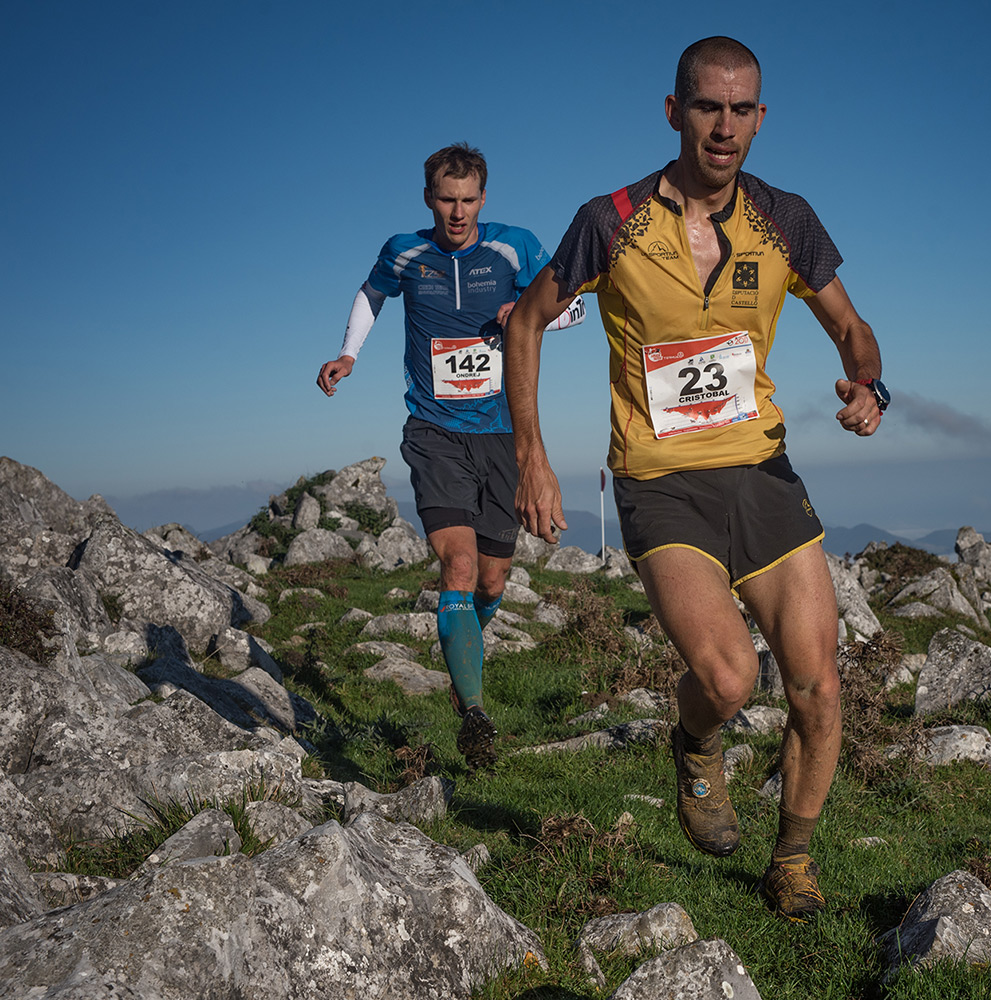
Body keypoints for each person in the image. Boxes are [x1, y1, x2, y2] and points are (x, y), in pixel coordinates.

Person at [504, 37, 889, 921]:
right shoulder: (611, 219)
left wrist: (869, 385)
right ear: (675, 112)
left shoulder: (786, 218)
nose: (725, 126)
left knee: (818, 684)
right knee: (726, 679)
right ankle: (695, 743)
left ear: (761, 117)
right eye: (708, 107)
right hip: (660, 478)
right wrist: (532, 454)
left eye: (742, 108)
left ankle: (792, 858)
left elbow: (852, 328)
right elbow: (527, 324)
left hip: (760, 469)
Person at [316, 143, 584, 770]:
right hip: (433, 430)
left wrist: (528, 310)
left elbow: (572, 305)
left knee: (492, 579)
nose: (457, 212)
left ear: (483, 199)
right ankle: (474, 712)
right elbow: (370, 293)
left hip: (501, 433)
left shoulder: (515, 246)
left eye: (468, 200)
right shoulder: (405, 251)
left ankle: (464, 641)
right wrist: (349, 353)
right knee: (458, 566)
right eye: (446, 199)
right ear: (428, 198)